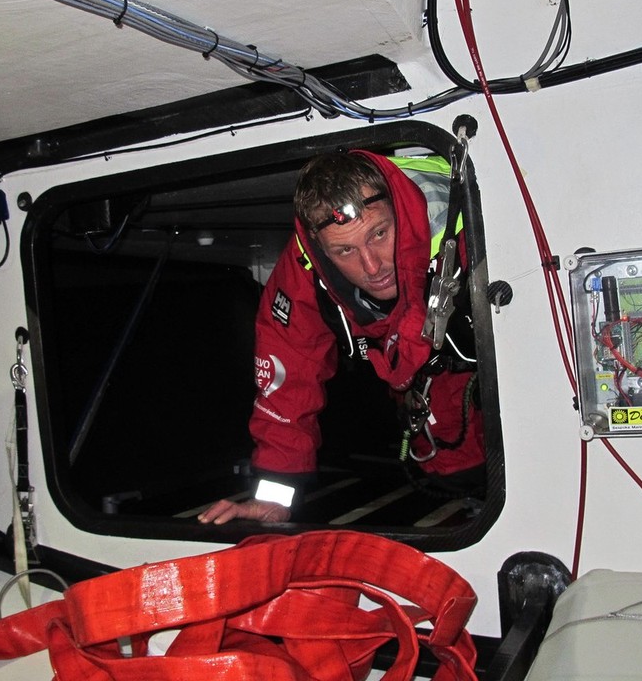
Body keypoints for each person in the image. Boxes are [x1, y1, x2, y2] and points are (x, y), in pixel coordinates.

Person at [199, 149, 484, 525]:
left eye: (379, 233)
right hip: (433, 406)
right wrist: (275, 495)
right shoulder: (304, 268)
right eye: (345, 250)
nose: (372, 265)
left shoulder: (473, 222)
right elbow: (285, 384)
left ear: (398, 210)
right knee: (454, 469)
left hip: (505, 387)